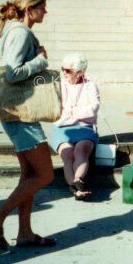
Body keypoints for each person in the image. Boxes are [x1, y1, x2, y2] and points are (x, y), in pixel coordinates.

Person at [0, 0, 56, 251]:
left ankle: (25, 233)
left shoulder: (17, 31)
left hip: (19, 112)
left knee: (30, 174)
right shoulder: (20, 33)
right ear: (30, 8)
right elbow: (12, 73)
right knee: (45, 174)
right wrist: (40, 61)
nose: (46, 11)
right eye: (42, 6)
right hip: (20, 114)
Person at [50, 53, 100, 201]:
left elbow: (93, 110)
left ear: (79, 72)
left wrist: (69, 112)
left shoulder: (90, 85)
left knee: (81, 150)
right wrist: (80, 113)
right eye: (62, 69)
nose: (64, 72)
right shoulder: (59, 85)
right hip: (63, 129)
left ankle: (77, 182)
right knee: (68, 155)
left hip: (85, 128)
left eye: (68, 70)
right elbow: (56, 114)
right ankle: (77, 188)